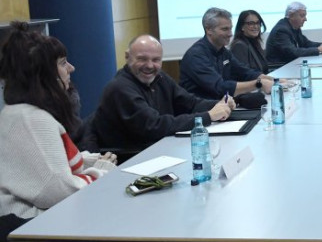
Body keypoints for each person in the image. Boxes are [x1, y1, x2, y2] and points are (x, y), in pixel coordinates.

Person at [0, 22, 117, 221]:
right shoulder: (33, 120)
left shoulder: (18, 113)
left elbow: (47, 165)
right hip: (31, 226)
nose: (71, 68)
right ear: (45, 74)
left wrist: (91, 160)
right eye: (63, 63)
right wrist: (101, 172)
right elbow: (59, 194)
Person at [92, 35, 233, 151]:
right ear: (127, 57)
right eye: (142, 59)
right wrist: (208, 116)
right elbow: (154, 126)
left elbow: (190, 103)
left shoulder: (160, 78)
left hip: (160, 149)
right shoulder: (120, 88)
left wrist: (219, 104)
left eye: (155, 60)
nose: (149, 65)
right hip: (132, 159)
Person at [181, 8, 274, 108]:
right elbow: (219, 87)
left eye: (230, 28)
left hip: (222, 106)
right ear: (208, 30)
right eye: (225, 29)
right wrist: (258, 84)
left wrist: (275, 80)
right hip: (202, 113)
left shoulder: (223, 51)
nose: (230, 34)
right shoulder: (196, 55)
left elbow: (244, 72)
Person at [265, 2, 322, 66]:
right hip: (279, 67)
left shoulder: (294, 27)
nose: (305, 19)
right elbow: (293, 52)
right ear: (291, 15)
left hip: (291, 64)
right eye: (302, 16)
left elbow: (306, 43)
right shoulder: (281, 30)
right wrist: (318, 50)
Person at [231, 10, 270, 74]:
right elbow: (244, 74)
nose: (256, 26)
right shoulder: (239, 46)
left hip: (263, 81)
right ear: (242, 27)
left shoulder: (255, 43)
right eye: (251, 23)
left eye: (258, 23)